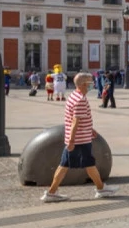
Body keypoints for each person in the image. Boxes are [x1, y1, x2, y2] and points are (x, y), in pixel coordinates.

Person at [41, 73, 118, 202]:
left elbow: (77, 118)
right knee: (82, 165)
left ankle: (52, 192)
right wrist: (72, 140)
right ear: (83, 84)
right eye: (89, 83)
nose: (92, 85)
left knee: (71, 165)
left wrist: (90, 129)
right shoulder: (80, 99)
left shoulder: (73, 95)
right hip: (79, 140)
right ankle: (100, 189)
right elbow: (75, 121)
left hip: (78, 138)